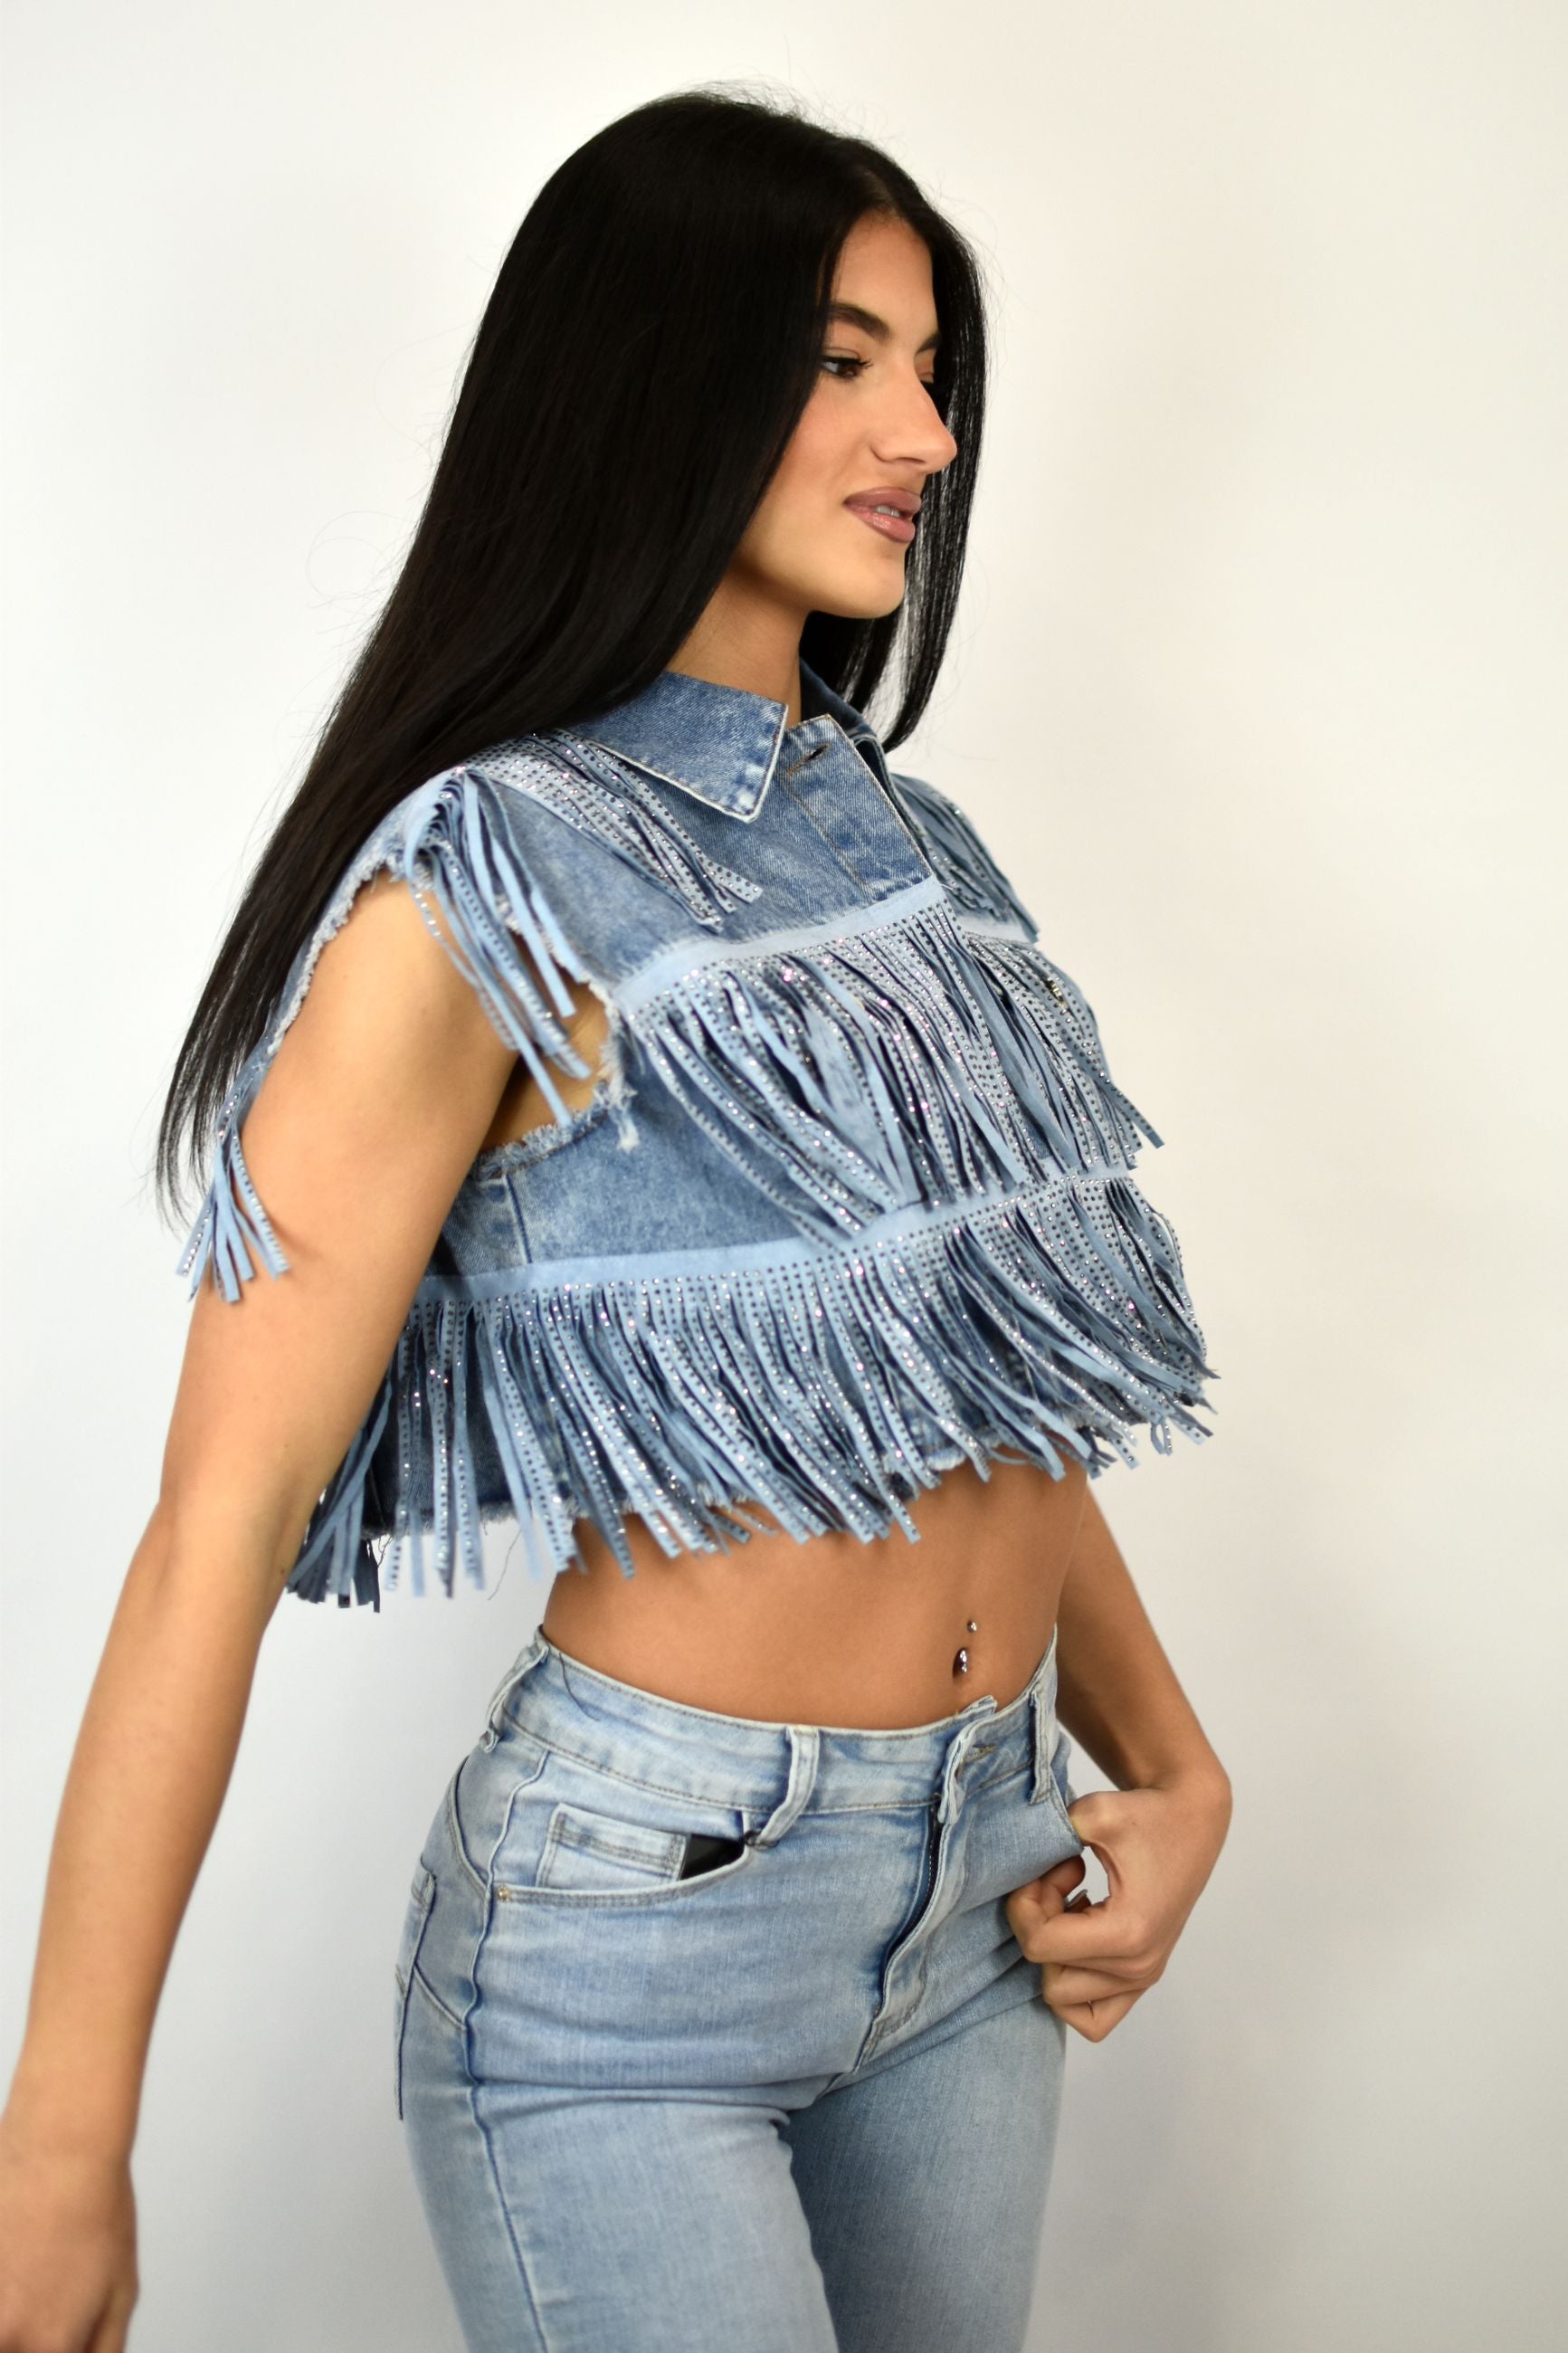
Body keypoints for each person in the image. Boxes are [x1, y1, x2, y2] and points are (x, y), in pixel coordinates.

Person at [0, 86, 1232, 2353]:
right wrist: (59, 2149)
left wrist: (1171, 1760)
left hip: (980, 1885)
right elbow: (216, 1524)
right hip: (639, 1931)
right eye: (846, 360)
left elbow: (983, 1386)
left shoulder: (915, 849)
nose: (927, 433)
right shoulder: (481, 881)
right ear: (662, 376)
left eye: (933, 368)